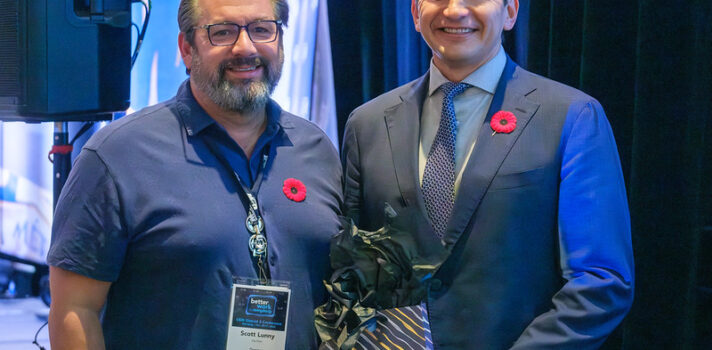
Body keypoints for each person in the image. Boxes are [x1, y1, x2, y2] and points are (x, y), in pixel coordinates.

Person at [46, 0, 342, 348]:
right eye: (223, 32)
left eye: (263, 29)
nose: (245, 48)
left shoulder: (316, 149)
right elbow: (75, 309)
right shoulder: (116, 156)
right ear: (187, 48)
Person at [342, 0, 634, 348]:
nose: (454, 11)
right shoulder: (367, 124)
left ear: (511, 11)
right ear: (415, 13)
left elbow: (601, 281)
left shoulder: (571, 117)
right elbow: (352, 272)